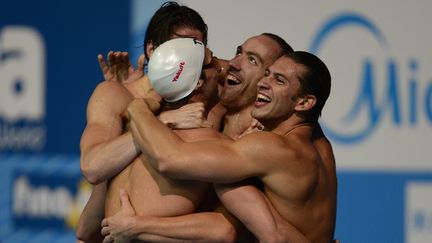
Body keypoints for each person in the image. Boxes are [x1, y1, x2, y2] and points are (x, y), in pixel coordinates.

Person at [101, 34, 321, 243]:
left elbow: (85, 226)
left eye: (252, 60)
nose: (224, 66)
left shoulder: (129, 137)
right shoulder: (221, 146)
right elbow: (226, 230)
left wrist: (141, 105)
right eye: (213, 63)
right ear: (198, 82)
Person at [76, 2, 238, 242]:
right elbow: (93, 167)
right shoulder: (117, 95)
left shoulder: (209, 79)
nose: (189, 58)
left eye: (197, 49)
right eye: (179, 47)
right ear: (152, 49)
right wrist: (159, 122)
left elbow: (252, 75)